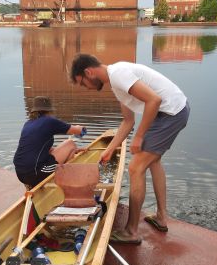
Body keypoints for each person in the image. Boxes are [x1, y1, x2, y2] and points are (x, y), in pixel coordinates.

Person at [70, 54, 190, 244]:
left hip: (171, 113)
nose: (85, 87)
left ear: (88, 72)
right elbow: (128, 121)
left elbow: (154, 100)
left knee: (135, 168)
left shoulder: (118, 74)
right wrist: (109, 149)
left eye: (82, 83)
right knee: (154, 161)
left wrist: (140, 136)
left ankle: (131, 231)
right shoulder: (116, 82)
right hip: (168, 112)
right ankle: (161, 217)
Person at [13, 96, 86, 189]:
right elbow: (79, 131)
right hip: (35, 172)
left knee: (71, 150)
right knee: (70, 144)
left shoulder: (28, 123)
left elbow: (40, 149)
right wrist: (81, 128)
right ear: (49, 111)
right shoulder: (50, 121)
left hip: (20, 173)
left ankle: (34, 185)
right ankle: (64, 185)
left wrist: (73, 151)